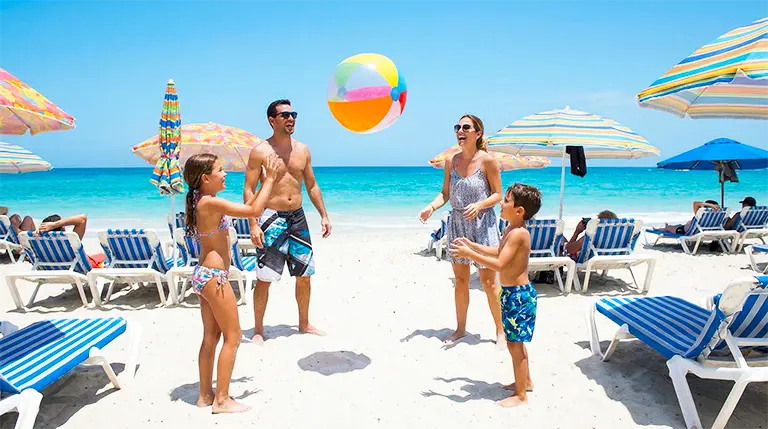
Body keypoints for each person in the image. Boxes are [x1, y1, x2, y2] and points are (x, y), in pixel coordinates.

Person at [183, 152, 279, 413]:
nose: (225, 174)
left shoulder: (201, 202)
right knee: (233, 336)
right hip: (214, 277)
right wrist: (268, 179)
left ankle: (205, 395)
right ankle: (222, 400)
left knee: (211, 337)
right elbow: (254, 210)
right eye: (220, 170)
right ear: (205, 178)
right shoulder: (210, 203)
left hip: (205, 275)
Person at [243, 99, 331, 344]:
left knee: (305, 274)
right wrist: (253, 224)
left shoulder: (302, 150)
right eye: (285, 115)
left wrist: (323, 214)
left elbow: (311, 185)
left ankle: (304, 324)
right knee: (265, 277)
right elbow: (249, 190)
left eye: (293, 114)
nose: (291, 118)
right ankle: (258, 330)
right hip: (271, 217)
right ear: (272, 120)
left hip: (298, 217)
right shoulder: (260, 151)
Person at [449, 183, 542, 408]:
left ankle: (521, 395)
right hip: (512, 294)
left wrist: (469, 253)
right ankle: (526, 381)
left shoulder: (520, 234)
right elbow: (499, 252)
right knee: (516, 343)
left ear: (519, 210)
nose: (501, 203)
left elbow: (500, 264)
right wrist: (474, 245)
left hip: (519, 297)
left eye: (506, 201)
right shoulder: (511, 230)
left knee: (515, 345)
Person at [419, 114, 505, 346]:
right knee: (461, 281)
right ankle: (460, 329)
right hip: (458, 224)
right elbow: (445, 194)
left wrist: (480, 204)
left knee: (489, 283)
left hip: (483, 225)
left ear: (478, 134)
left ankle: (500, 330)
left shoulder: (488, 161)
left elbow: (498, 194)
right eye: (458, 127)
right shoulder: (451, 162)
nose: (460, 130)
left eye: (466, 127)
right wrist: (431, 207)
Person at [35, 213, 107, 268]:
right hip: (77, 267)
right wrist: (55, 224)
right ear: (62, 228)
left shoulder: (40, 245)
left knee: (100, 256)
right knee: (104, 257)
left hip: (52, 268)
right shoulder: (68, 243)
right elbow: (82, 218)